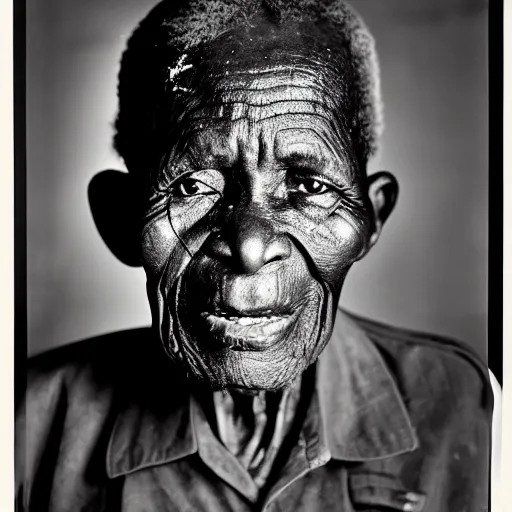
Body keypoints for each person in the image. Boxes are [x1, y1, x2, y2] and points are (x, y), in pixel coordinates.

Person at [16, 1, 492, 511]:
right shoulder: (25, 426)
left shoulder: (468, 409)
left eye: (309, 185)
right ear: (120, 220)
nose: (248, 246)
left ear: (371, 218)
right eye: (192, 185)